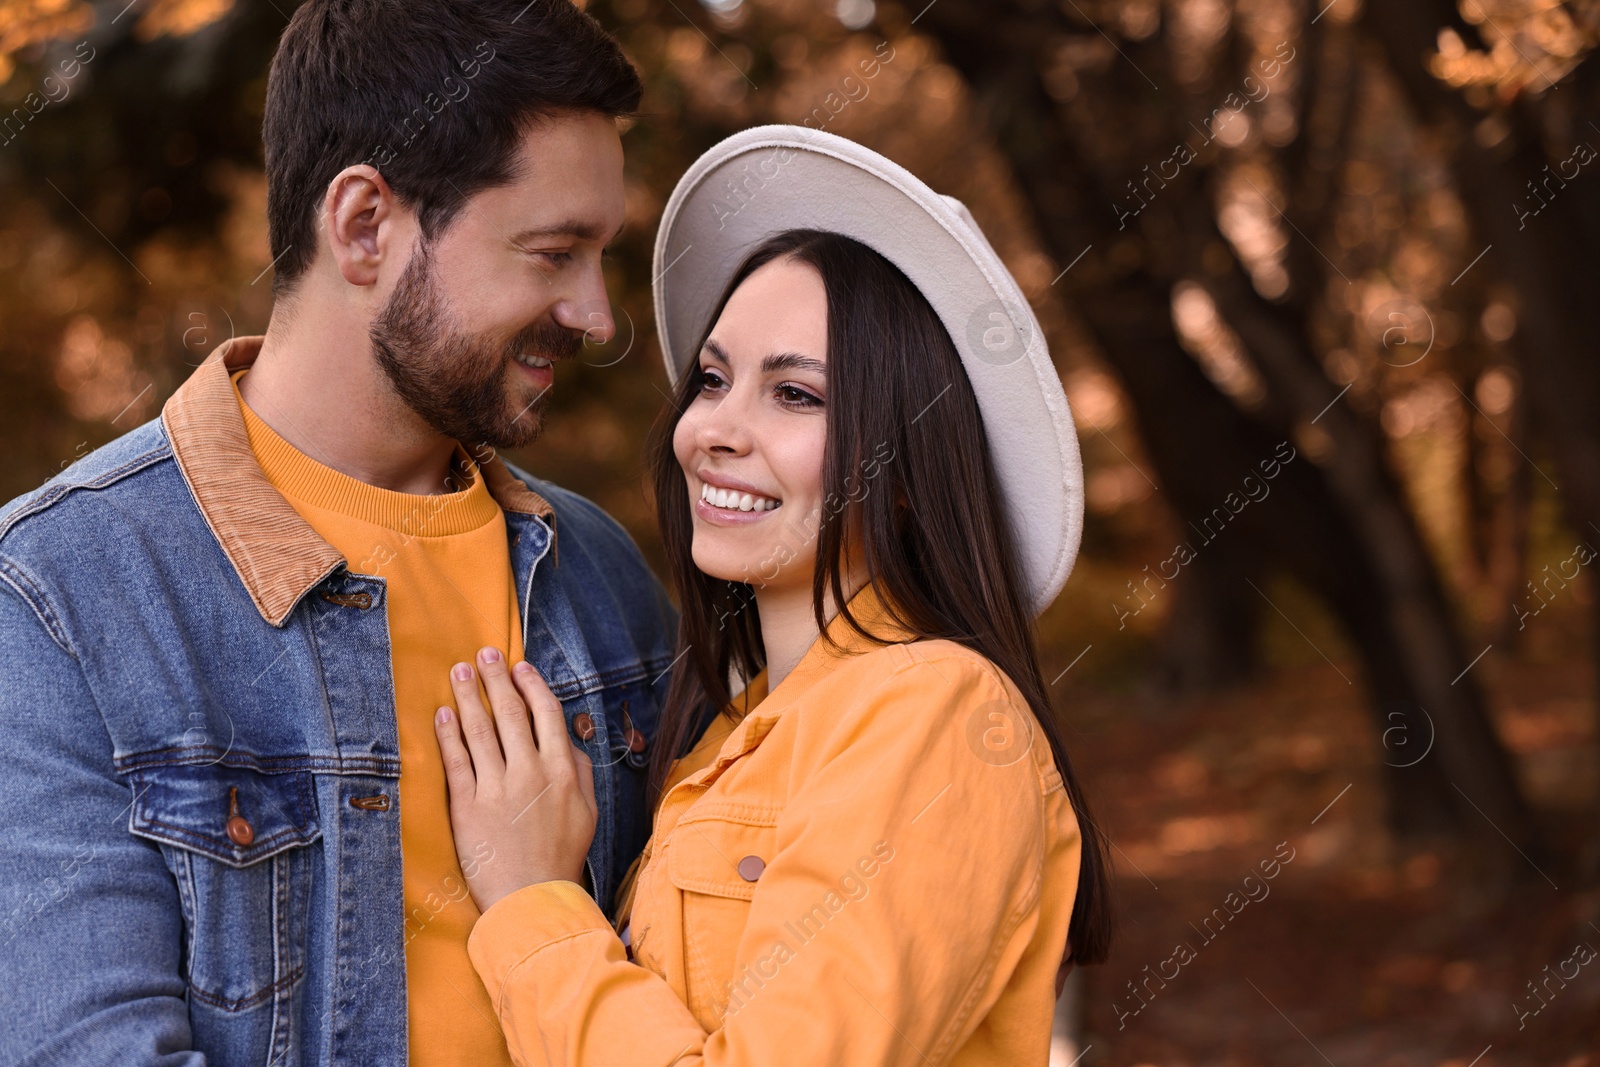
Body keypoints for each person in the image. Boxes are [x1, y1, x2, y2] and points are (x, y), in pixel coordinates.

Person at [0, 3, 676, 1064]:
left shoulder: (600, 580)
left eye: (601, 256)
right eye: (554, 253)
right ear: (364, 225)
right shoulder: (60, 598)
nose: (595, 314)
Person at [434, 126, 1114, 1066]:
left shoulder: (936, 710)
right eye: (713, 380)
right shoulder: (725, 738)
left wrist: (527, 905)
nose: (715, 426)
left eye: (795, 395)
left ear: (908, 464)